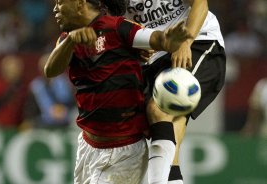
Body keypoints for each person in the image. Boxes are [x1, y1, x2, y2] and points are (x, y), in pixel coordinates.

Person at [45, 0, 192, 183]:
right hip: (88, 145)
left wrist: (168, 40)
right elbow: (50, 70)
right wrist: (70, 41)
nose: (55, 9)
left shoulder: (118, 28)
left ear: (80, 3)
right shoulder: (67, 38)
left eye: (60, 2)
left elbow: (156, 39)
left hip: (122, 152)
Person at [124, 0, 226, 183]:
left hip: (199, 40)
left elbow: (200, 4)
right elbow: (120, 26)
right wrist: (135, 47)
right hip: (155, 55)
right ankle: (172, 180)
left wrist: (186, 41)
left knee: (159, 109)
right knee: (167, 122)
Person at [21, 53, 75, 129]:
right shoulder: (35, 86)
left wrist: (62, 110)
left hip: (65, 121)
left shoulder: (64, 82)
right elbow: (31, 108)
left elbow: (72, 102)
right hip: (43, 123)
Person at [0, 55, 28, 128]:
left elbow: (23, 109)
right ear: (4, 70)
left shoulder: (22, 88)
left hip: (15, 128)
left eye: (17, 69)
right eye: (11, 69)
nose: (15, 72)